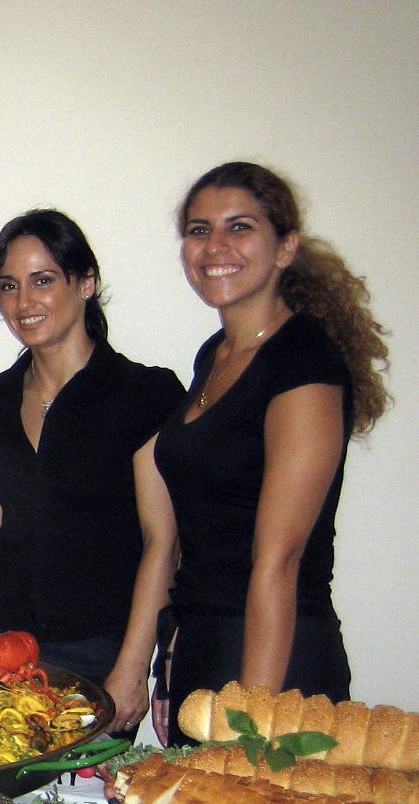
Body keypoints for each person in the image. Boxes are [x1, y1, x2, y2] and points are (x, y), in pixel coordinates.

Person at [154, 162, 390, 745]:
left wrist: (251, 723)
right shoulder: (214, 354)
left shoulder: (303, 362)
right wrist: (172, 659)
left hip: (276, 664)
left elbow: (278, 563)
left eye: (240, 227)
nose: (215, 247)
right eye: (199, 229)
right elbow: (202, 535)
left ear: (286, 247)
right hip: (204, 646)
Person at [0, 209, 184, 734]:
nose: (24, 302)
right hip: (8, 652)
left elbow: (163, 541)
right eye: (9, 286)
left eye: (43, 280)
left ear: (85, 282)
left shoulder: (143, 394)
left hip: (101, 652)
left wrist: (134, 669)